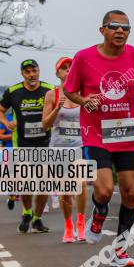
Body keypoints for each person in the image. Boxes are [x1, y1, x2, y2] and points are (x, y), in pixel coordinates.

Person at [63, 9, 134, 267]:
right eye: (114, 26)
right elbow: (70, 91)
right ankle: (99, 211)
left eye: (126, 27)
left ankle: (120, 250)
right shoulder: (84, 58)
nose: (120, 31)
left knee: (131, 193)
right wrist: (86, 101)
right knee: (105, 189)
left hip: (126, 133)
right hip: (96, 134)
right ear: (102, 30)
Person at [0, 59, 54, 234]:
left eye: (34, 70)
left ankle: (37, 218)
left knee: (44, 183)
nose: (31, 75)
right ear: (22, 74)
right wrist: (6, 122)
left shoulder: (49, 90)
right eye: (27, 72)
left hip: (45, 142)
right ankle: (27, 212)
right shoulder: (13, 92)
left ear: (39, 71)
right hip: (21, 143)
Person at [42, 57, 89, 243]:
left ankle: (81, 222)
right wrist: (57, 108)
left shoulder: (82, 92)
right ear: (57, 73)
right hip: (58, 149)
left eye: (71, 67)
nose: (68, 71)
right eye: (64, 68)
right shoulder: (51, 95)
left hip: (79, 146)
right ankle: (68, 225)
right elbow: (45, 125)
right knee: (65, 191)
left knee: (82, 183)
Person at [0, 111, 19, 210]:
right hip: (9, 151)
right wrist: (14, 135)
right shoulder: (7, 119)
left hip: (26, 149)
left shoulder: (28, 114)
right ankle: (12, 195)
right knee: (11, 175)